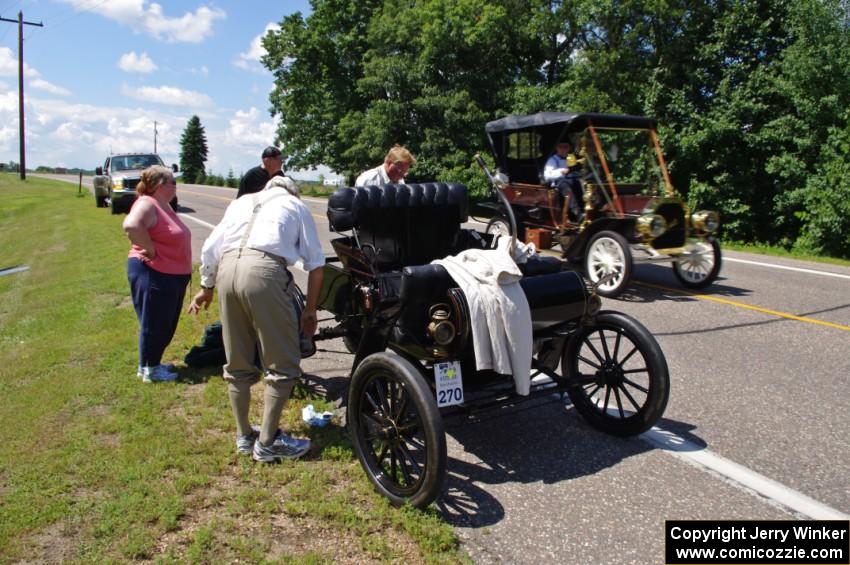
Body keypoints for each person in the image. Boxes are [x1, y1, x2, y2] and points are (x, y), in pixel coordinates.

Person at [188, 175, 325, 462]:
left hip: (227, 270)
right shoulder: (295, 206)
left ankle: (243, 436)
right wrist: (311, 310)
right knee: (283, 363)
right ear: (293, 193)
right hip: (264, 272)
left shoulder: (241, 202)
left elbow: (210, 248)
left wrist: (206, 288)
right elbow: (316, 264)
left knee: (237, 360)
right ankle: (267, 442)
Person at [123, 165, 192, 383]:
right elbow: (132, 225)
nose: (175, 185)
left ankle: (149, 364)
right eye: (172, 181)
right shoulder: (147, 203)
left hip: (169, 273)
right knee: (155, 322)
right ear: (158, 185)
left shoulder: (163, 205)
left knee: (163, 322)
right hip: (154, 271)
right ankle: (150, 370)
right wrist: (151, 250)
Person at [543, 140, 584, 222]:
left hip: (573, 180)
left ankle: (586, 210)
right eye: (560, 147)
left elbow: (575, 171)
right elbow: (547, 175)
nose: (563, 149)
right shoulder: (553, 160)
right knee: (565, 185)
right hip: (559, 183)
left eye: (565, 147)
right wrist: (562, 171)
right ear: (556, 148)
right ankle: (577, 213)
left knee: (581, 183)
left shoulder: (571, 157)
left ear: (569, 148)